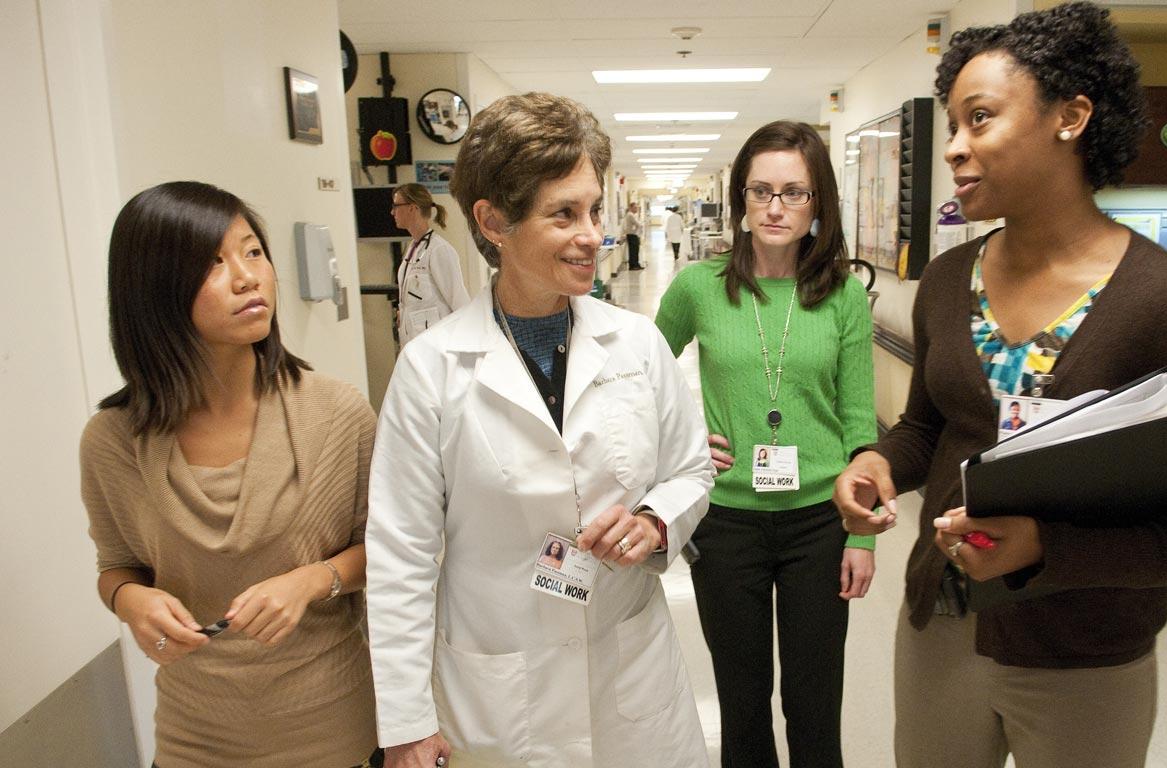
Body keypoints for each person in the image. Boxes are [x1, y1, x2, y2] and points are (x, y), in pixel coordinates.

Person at [833, 5, 1167, 767]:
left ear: (1071, 118)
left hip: (1086, 653)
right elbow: (931, 429)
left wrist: (1049, 549)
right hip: (942, 622)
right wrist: (880, 464)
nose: (955, 149)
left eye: (979, 120)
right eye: (952, 126)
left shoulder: (1166, 302)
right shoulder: (947, 281)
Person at [366, 92, 714, 768]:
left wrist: (654, 521)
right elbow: (401, 553)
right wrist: (406, 721)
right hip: (500, 683)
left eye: (593, 210)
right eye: (564, 214)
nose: (594, 234)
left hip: (628, 670)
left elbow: (692, 469)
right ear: (493, 222)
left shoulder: (637, 346)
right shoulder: (432, 370)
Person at [80, 181, 378, 767]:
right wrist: (131, 600)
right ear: (153, 290)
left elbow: (389, 549)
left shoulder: (337, 412)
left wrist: (312, 580)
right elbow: (116, 566)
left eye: (252, 251)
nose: (248, 277)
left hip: (333, 726)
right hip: (196, 738)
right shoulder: (113, 441)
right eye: (213, 264)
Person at [655, 120, 877, 768]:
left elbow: (860, 424)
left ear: (819, 204)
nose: (776, 207)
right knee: (742, 704)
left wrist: (860, 535)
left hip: (819, 525)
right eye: (761, 191)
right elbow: (633, 379)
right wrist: (683, 439)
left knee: (813, 706)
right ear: (741, 201)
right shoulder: (699, 287)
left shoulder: (843, 296)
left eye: (795, 192)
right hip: (724, 524)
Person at [392, 182, 469, 347]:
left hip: (437, 347)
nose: (392, 212)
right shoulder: (413, 248)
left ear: (413, 208)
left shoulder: (439, 250)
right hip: (415, 345)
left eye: (396, 206)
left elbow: (459, 301)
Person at [623, 200, 643, 270]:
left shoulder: (632, 215)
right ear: (630, 208)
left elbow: (638, 224)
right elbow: (638, 224)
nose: (636, 209)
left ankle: (636, 264)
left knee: (635, 250)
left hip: (633, 234)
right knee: (633, 251)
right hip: (632, 235)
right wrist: (640, 225)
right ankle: (633, 266)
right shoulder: (630, 215)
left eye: (637, 208)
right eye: (635, 208)